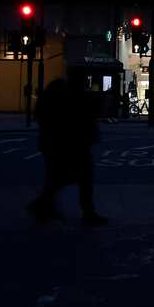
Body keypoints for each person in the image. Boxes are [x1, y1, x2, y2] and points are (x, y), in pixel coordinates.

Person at [27, 78, 107, 226]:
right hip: (72, 146)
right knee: (78, 179)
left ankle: (43, 206)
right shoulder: (69, 100)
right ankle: (85, 212)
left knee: (59, 179)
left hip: (59, 146)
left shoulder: (51, 100)